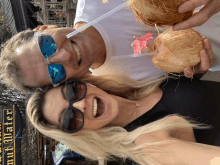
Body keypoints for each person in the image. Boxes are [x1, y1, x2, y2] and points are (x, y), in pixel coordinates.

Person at [0, 0, 215, 93]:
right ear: (62, 82)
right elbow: (187, 80)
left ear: (44, 28)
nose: (64, 56)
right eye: (54, 72)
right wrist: (196, 72)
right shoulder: (120, 87)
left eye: (46, 46)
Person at [27, 73, 220, 165]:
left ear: (83, 83)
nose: (80, 105)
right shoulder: (143, 145)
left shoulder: (141, 80)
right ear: (78, 134)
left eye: (71, 91)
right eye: (69, 118)